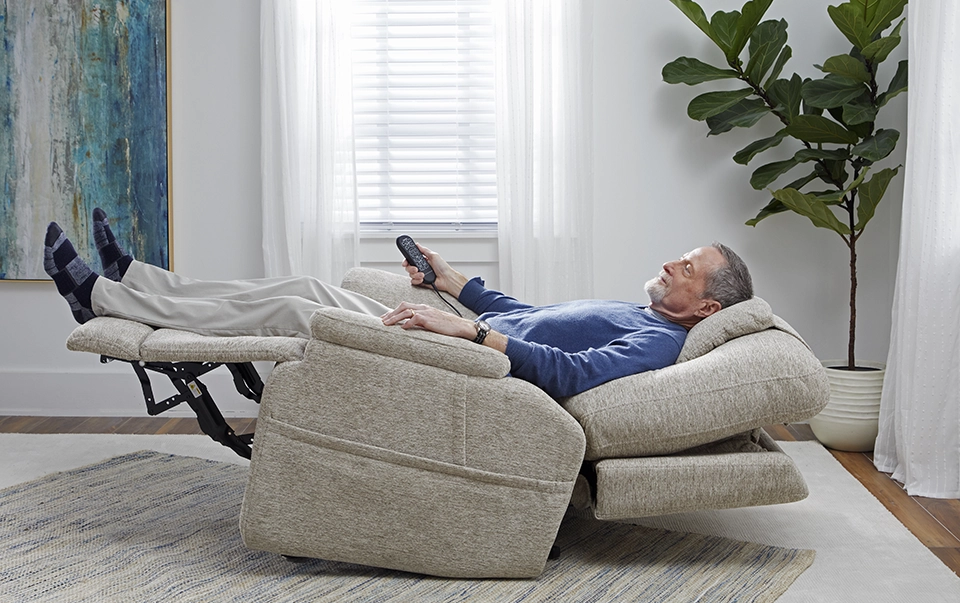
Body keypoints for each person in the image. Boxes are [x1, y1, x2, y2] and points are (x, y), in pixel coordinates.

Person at [44, 210, 753, 398]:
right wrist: (453, 282)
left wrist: (466, 335)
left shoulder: (660, 344)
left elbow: (571, 376)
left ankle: (101, 296)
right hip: (461, 336)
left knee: (300, 309)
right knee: (302, 288)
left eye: (686, 268)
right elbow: (529, 315)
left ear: (706, 310)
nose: (670, 263)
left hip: (459, 364)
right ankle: (133, 280)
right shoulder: (645, 316)